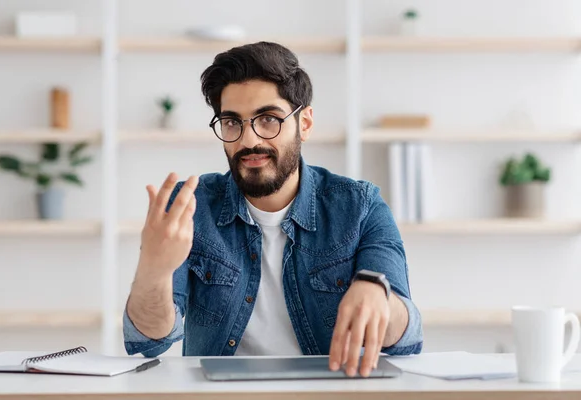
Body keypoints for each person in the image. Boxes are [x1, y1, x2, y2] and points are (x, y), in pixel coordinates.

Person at [123, 41, 423, 377]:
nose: (249, 139)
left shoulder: (359, 206)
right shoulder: (190, 207)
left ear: (304, 124)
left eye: (268, 119)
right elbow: (149, 340)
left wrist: (377, 292)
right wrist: (153, 270)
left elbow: (408, 340)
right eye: (232, 122)